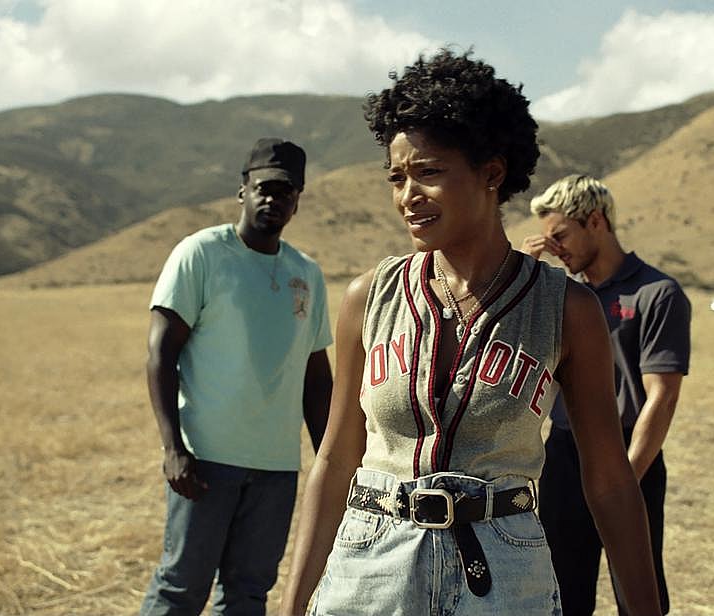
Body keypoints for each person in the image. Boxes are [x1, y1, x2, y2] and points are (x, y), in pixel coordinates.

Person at [280, 50, 662, 616]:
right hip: (371, 566)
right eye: (397, 177)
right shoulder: (370, 297)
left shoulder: (566, 309)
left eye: (429, 172)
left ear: (492, 172)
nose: (407, 195)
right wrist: (292, 605)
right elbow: (336, 460)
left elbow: (608, 478)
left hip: (504, 573)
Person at [139, 137, 333, 616]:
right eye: (264, 188)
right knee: (181, 588)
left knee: (248, 594)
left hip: (276, 467)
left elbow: (316, 381)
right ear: (242, 190)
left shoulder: (306, 274)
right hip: (206, 461)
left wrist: (329, 462)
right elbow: (161, 353)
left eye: (286, 191)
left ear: (298, 200)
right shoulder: (201, 254)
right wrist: (173, 449)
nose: (274, 199)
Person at [522, 175, 690, 616]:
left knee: (638, 597)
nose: (555, 249)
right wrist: (524, 277)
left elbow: (662, 397)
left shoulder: (657, 293)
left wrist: (622, 482)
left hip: (629, 454)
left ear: (595, 222)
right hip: (564, 455)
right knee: (559, 595)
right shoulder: (562, 298)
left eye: (560, 236)